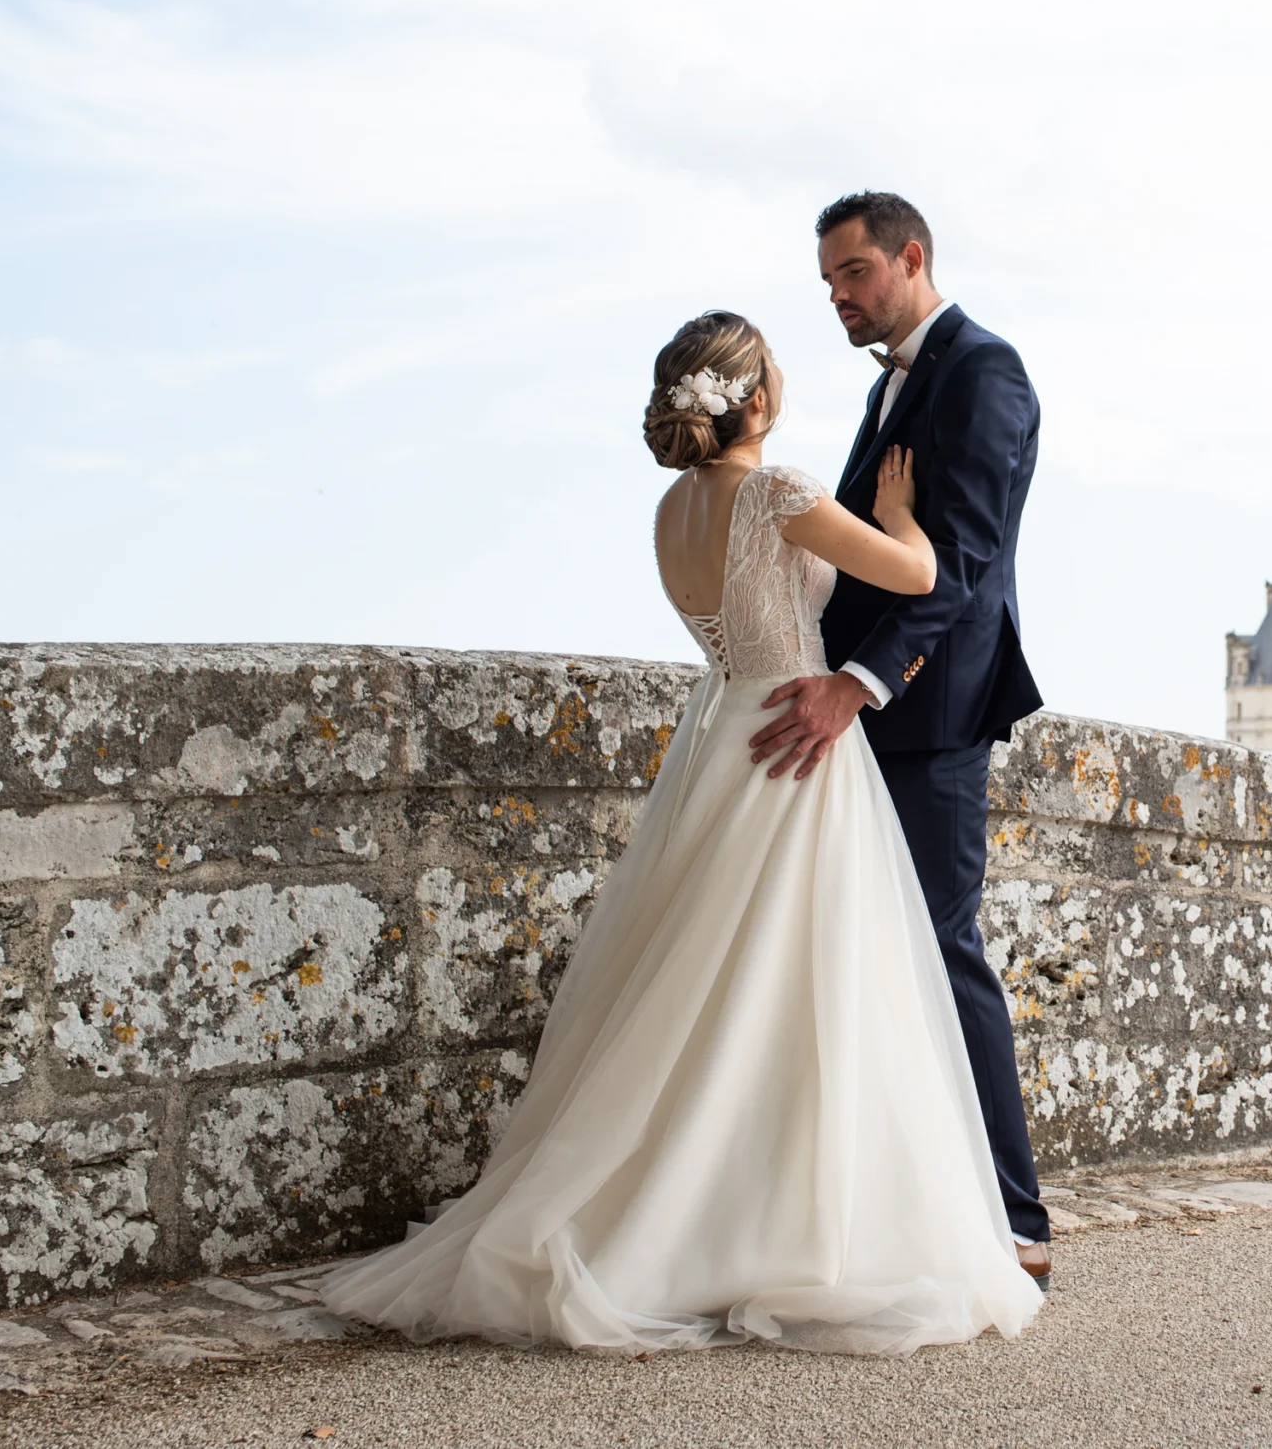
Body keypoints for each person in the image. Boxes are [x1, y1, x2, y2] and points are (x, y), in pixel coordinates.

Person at [314, 311, 1043, 1355]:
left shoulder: (671, 509)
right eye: (773, 364)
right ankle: (783, 1217)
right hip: (798, 740)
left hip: (720, 738)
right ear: (752, 396)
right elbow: (918, 578)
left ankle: (703, 1205)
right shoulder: (781, 490)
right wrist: (903, 514)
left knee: (707, 979)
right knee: (806, 981)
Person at [745, 190, 1052, 1287]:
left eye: (854, 273)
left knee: (940, 945)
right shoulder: (893, 385)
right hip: (855, 711)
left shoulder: (985, 372)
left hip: (927, 714)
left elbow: (958, 564)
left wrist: (855, 685)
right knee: (864, 949)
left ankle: (1017, 1221)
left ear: (911, 257)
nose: (837, 295)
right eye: (827, 280)